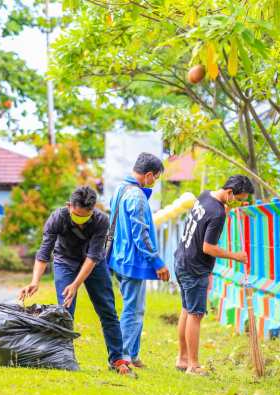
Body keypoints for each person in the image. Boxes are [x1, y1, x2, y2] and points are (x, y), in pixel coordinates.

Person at [19, 186, 134, 376]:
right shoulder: (58, 218)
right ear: (69, 206)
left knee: (107, 310)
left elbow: (93, 256)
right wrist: (35, 281)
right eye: (76, 215)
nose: (80, 220)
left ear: (93, 210)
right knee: (64, 312)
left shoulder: (101, 220)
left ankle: (117, 359)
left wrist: (76, 284)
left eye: (84, 216)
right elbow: (44, 252)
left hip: (93, 264)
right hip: (65, 261)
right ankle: (61, 358)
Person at [173, 176, 253, 375]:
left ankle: (182, 359)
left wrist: (228, 209)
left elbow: (205, 221)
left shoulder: (206, 196)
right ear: (230, 193)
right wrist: (235, 256)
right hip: (195, 267)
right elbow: (208, 247)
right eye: (239, 199)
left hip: (181, 258)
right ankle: (193, 365)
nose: (240, 203)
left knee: (186, 310)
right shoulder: (217, 213)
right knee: (196, 314)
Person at [108, 153, 169, 368]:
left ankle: (132, 355)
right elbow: (141, 234)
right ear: (149, 174)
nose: (155, 182)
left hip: (120, 257)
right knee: (132, 310)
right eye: (156, 178)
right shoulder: (136, 196)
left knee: (134, 308)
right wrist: (157, 262)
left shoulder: (120, 189)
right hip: (133, 261)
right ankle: (122, 356)